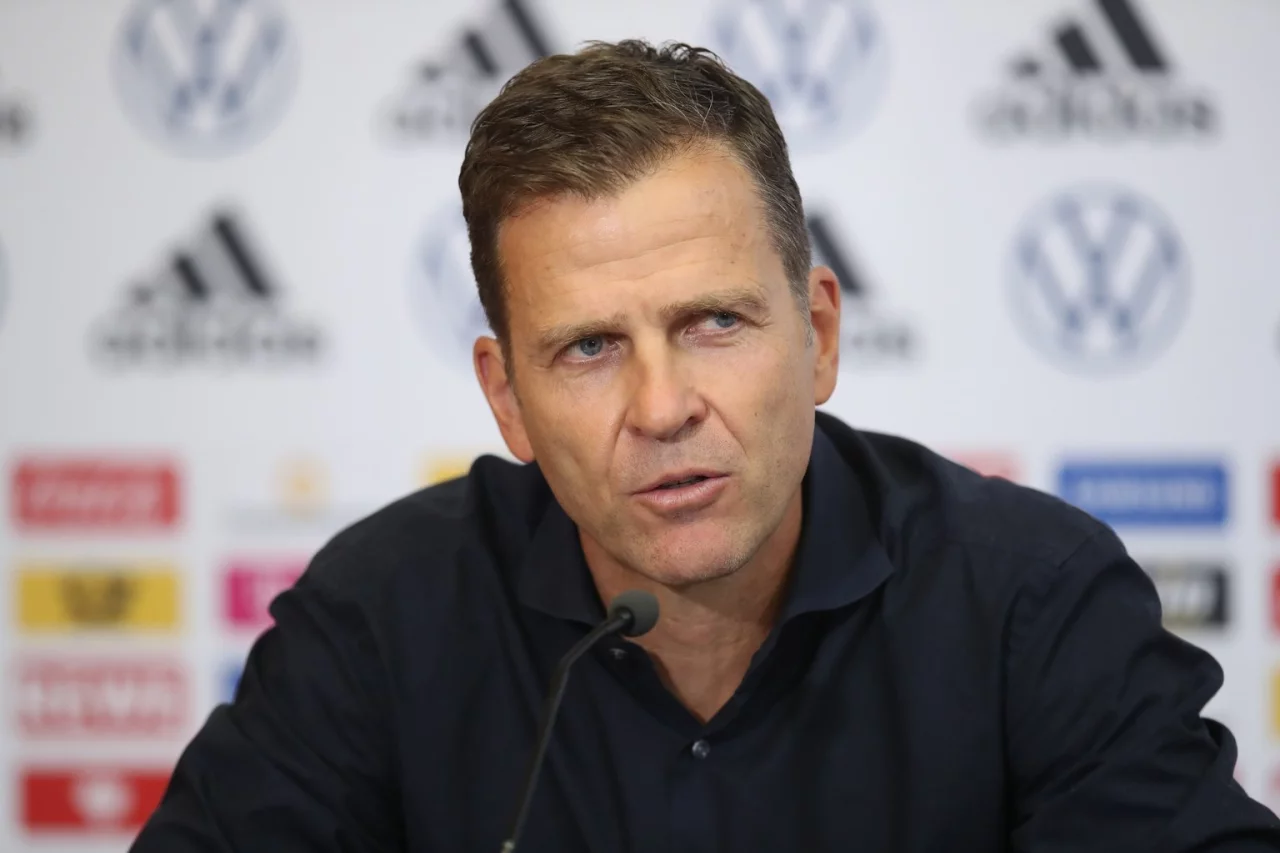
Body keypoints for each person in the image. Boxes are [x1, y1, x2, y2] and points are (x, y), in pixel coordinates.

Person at [131, 40, 1280, 852]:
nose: (662, 405)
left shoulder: (1032, 600)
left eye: (713, 323)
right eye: (588, 347)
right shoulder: (384, 617)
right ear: (507, 398)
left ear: (817, 335)